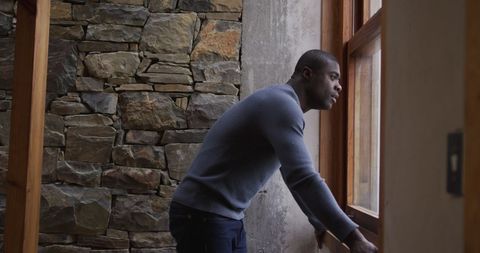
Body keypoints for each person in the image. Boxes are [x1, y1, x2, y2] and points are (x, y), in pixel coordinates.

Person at [168, 49, 378, 253]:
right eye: (333, 77)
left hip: (218, 216)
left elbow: (292, 176)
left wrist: (319, 221)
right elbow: (303, 178)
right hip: (203, 216)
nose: (339, 87)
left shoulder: (280, 103)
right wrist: (354, 238)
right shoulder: (282, 105)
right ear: (307, 74)